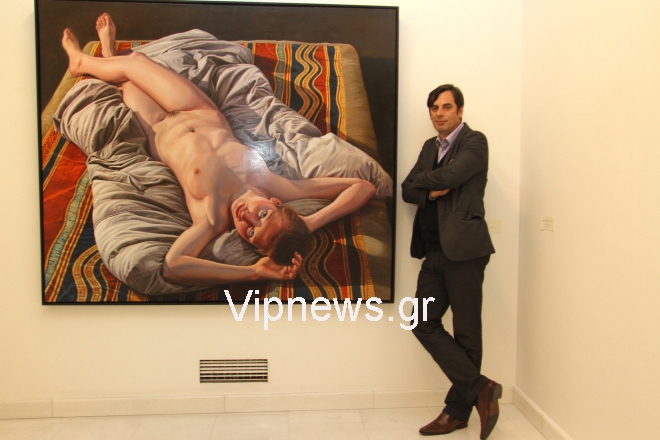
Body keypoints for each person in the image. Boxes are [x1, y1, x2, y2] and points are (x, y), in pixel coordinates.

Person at [62, 14, 376, 286]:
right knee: (137, 63)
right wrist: (311, 223)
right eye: (263, 215)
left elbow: (173, 266)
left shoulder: (211, 217)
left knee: (127, 83)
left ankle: (106, 53)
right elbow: (363, 187)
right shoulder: (278, 187)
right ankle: (83, 62)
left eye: (250, 233)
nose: (247, 217)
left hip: (158, 126)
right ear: (276, 203)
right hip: (197, 108)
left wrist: (253, 272)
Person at [401, 85, 499, 439]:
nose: (439, 113)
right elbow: (407, 189)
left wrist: (427, 181)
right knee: (421, 321)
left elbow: (452, 177)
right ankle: (481, 388)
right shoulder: (431, 147)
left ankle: (457, 412)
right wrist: (430, 188)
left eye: (446, 107)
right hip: (434, 252)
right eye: (434, 108)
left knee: (467, 332)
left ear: (460, 110)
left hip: (465, 252)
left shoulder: (475, 142)